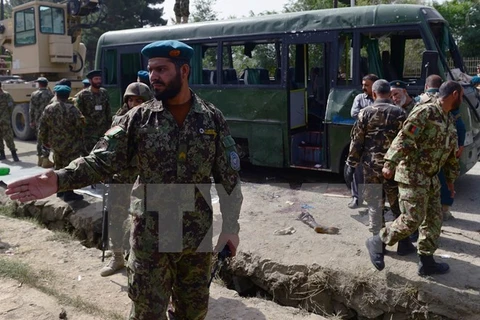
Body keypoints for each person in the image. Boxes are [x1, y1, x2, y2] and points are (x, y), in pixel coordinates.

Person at [6, 40, 243, 319]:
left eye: (162, 69)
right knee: (146, 313)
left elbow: (228, 178)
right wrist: (59, 178)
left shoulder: (211, 119)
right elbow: (102, 160)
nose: (153, 76)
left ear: (184, 71)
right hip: (150, 237)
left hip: (195, 237)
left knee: (193, 312)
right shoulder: (137, 119)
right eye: (151, 69)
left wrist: (230, 227)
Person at [365, 80, 461, 276]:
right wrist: (389, 163)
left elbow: (451, 155)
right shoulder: (426, 112)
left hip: (431, 177)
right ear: (455, 94)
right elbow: (404, 137)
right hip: (412, 174)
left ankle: (426, 261)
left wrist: (450, 182)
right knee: (412, 218)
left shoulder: (447, 119)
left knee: (433, 220)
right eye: (462, 96)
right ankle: (378, 240)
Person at [346, 80, 413, 254]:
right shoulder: (400, 113)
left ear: (374, 94)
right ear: (390, 94)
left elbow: (356, 142)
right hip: (394, 168)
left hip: (370, 168)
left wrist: (351, 164)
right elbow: (407, 142)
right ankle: (404, 243)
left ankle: (378, 245)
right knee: (399, 205)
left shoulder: (364, 113)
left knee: (375, 206)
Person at [100, 81, 152, 277]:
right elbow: (107, 147)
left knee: (142, 221)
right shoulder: (118, 120)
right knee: (115, 217)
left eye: (139, 100)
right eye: (131, 100)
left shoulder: (157, 122)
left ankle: (138, 260)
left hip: (144, 180)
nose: (135, 103)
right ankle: (118, 258)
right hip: (121, 178)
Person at [38, 85, 85, 202]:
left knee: (58, 167)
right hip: (71, 145)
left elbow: (42, 127)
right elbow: (81, 126)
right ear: (68, 95)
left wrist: (44, 142)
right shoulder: (73, 109)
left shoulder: (48, 108)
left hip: (56, 145)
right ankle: (69, 193)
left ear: (56, 95)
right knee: (70, 168)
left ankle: (60, 190)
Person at [348, 74, 379, 209]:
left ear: (374, 86)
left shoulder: (382, 98)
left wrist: (366, 114)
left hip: (378, 141)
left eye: (366, 85)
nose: (363, 87)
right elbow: (354, 113)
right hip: (362, 140)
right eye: (363, 84)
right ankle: (356, 198)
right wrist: (373, 114)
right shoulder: (359, 98)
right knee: (357, 169)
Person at [75, 70, 111, 154]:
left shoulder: (104, 93)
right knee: (89, 154)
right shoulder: (83, 95)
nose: (98, 81)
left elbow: (108, 111)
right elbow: (78, 113)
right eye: (96, 79)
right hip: (89, 132)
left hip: (102, 130)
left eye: (99, 79)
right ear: (90, 81)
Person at [29, 77, 54, 168]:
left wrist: (31, 120)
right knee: (46, 139)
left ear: (39, 84)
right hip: (47, 120)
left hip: (37, 119)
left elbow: (31, 109)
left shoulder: (34, 94)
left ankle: (39, 159)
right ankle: (45, 159)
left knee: (39, 139)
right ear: (47, 84)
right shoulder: (50, 94)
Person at [0, 82, 19, 162]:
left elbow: (11, 106)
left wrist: (6, 116)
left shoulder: (6, 95)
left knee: (9, 138)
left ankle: (14, 155)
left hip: (5, 121)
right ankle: (2, 155)